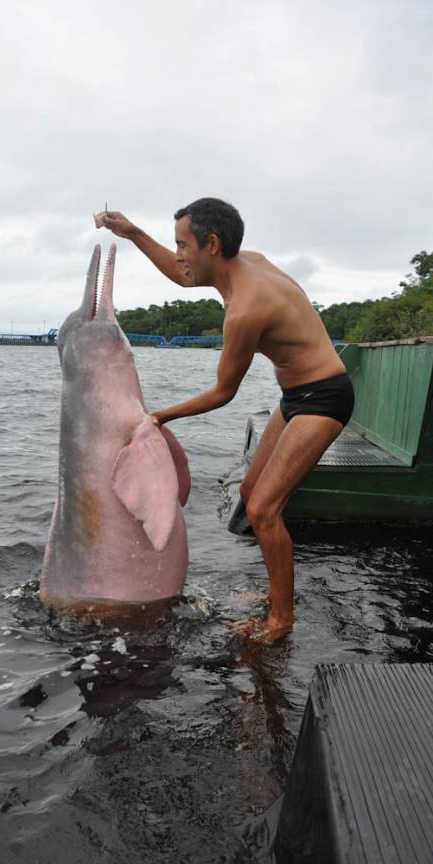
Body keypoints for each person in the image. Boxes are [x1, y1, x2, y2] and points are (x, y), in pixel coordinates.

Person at [100, 198, 354, 643]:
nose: (179, 254)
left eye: (183, 244)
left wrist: (159, 416)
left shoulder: (245, 310)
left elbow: (223, 393)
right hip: (295, 395)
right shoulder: (245, 262)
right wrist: (134, 233)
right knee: (250, 491)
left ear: (211, 244)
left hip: (325, 399)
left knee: (262, 510)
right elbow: (184, 276)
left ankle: (281, 619)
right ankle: (277, 594)